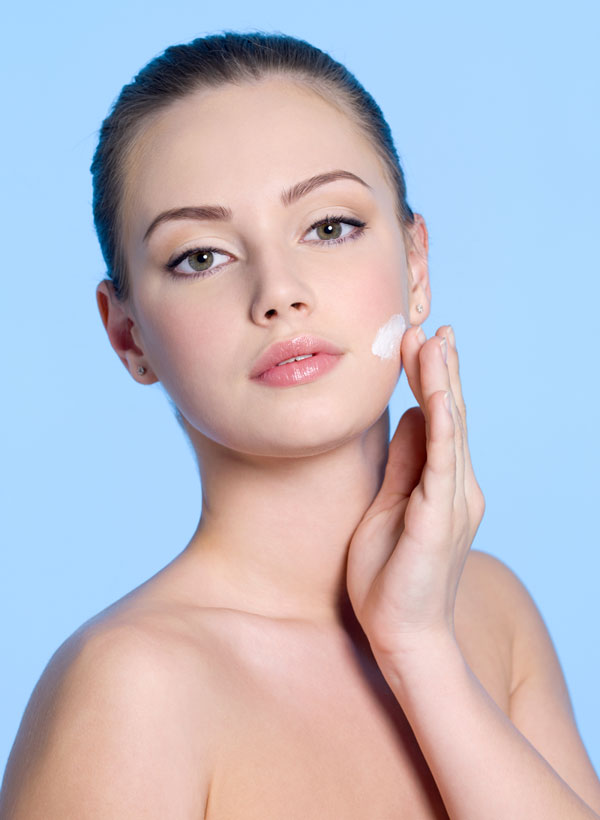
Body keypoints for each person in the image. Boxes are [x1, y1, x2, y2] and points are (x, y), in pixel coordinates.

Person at [1, 31, 599, 819]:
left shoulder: (488, 612)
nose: (278, 292)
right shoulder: (131, 690)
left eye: (329, 227)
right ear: (129, 335)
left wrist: (422, 653)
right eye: (201, 256)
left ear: (415, 267)